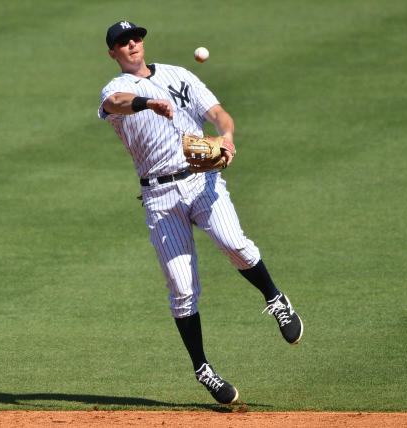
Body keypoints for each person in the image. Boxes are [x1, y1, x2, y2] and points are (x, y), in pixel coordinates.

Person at [97, 20, 303, 405]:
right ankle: (203, 369)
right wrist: (147, 103)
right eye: (122, 43)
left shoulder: (179, 74)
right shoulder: (115, 89)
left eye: (135, 38)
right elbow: (115, 105)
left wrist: (226, 138)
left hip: (201, 181)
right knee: (182, 289)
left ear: (143, 41)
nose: (131, 45)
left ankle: (276, 300)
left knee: (235, 244)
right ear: (113, 53)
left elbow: (220, 115)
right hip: (159, 198)